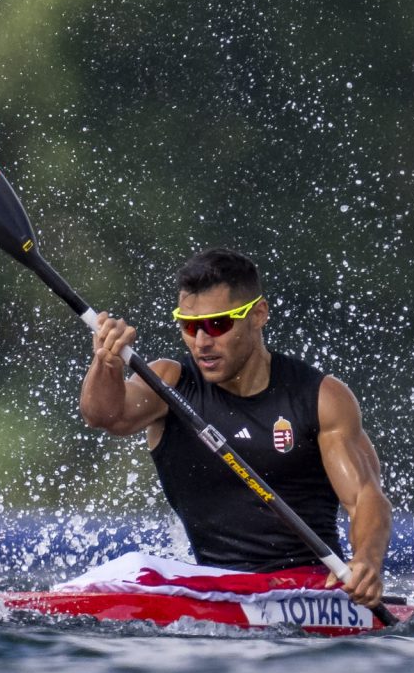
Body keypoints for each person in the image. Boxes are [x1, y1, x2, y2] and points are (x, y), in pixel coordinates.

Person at [78, 246, 390, 604]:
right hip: (215, 586)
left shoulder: (319, 397)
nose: (202, 342)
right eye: (189, 326)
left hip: (307, 587)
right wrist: (106, 363)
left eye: (217, 324)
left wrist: (367, 559)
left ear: (258, 315)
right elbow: (104, 416)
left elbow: (366, 497)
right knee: (133, 568)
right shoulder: (170, 383)